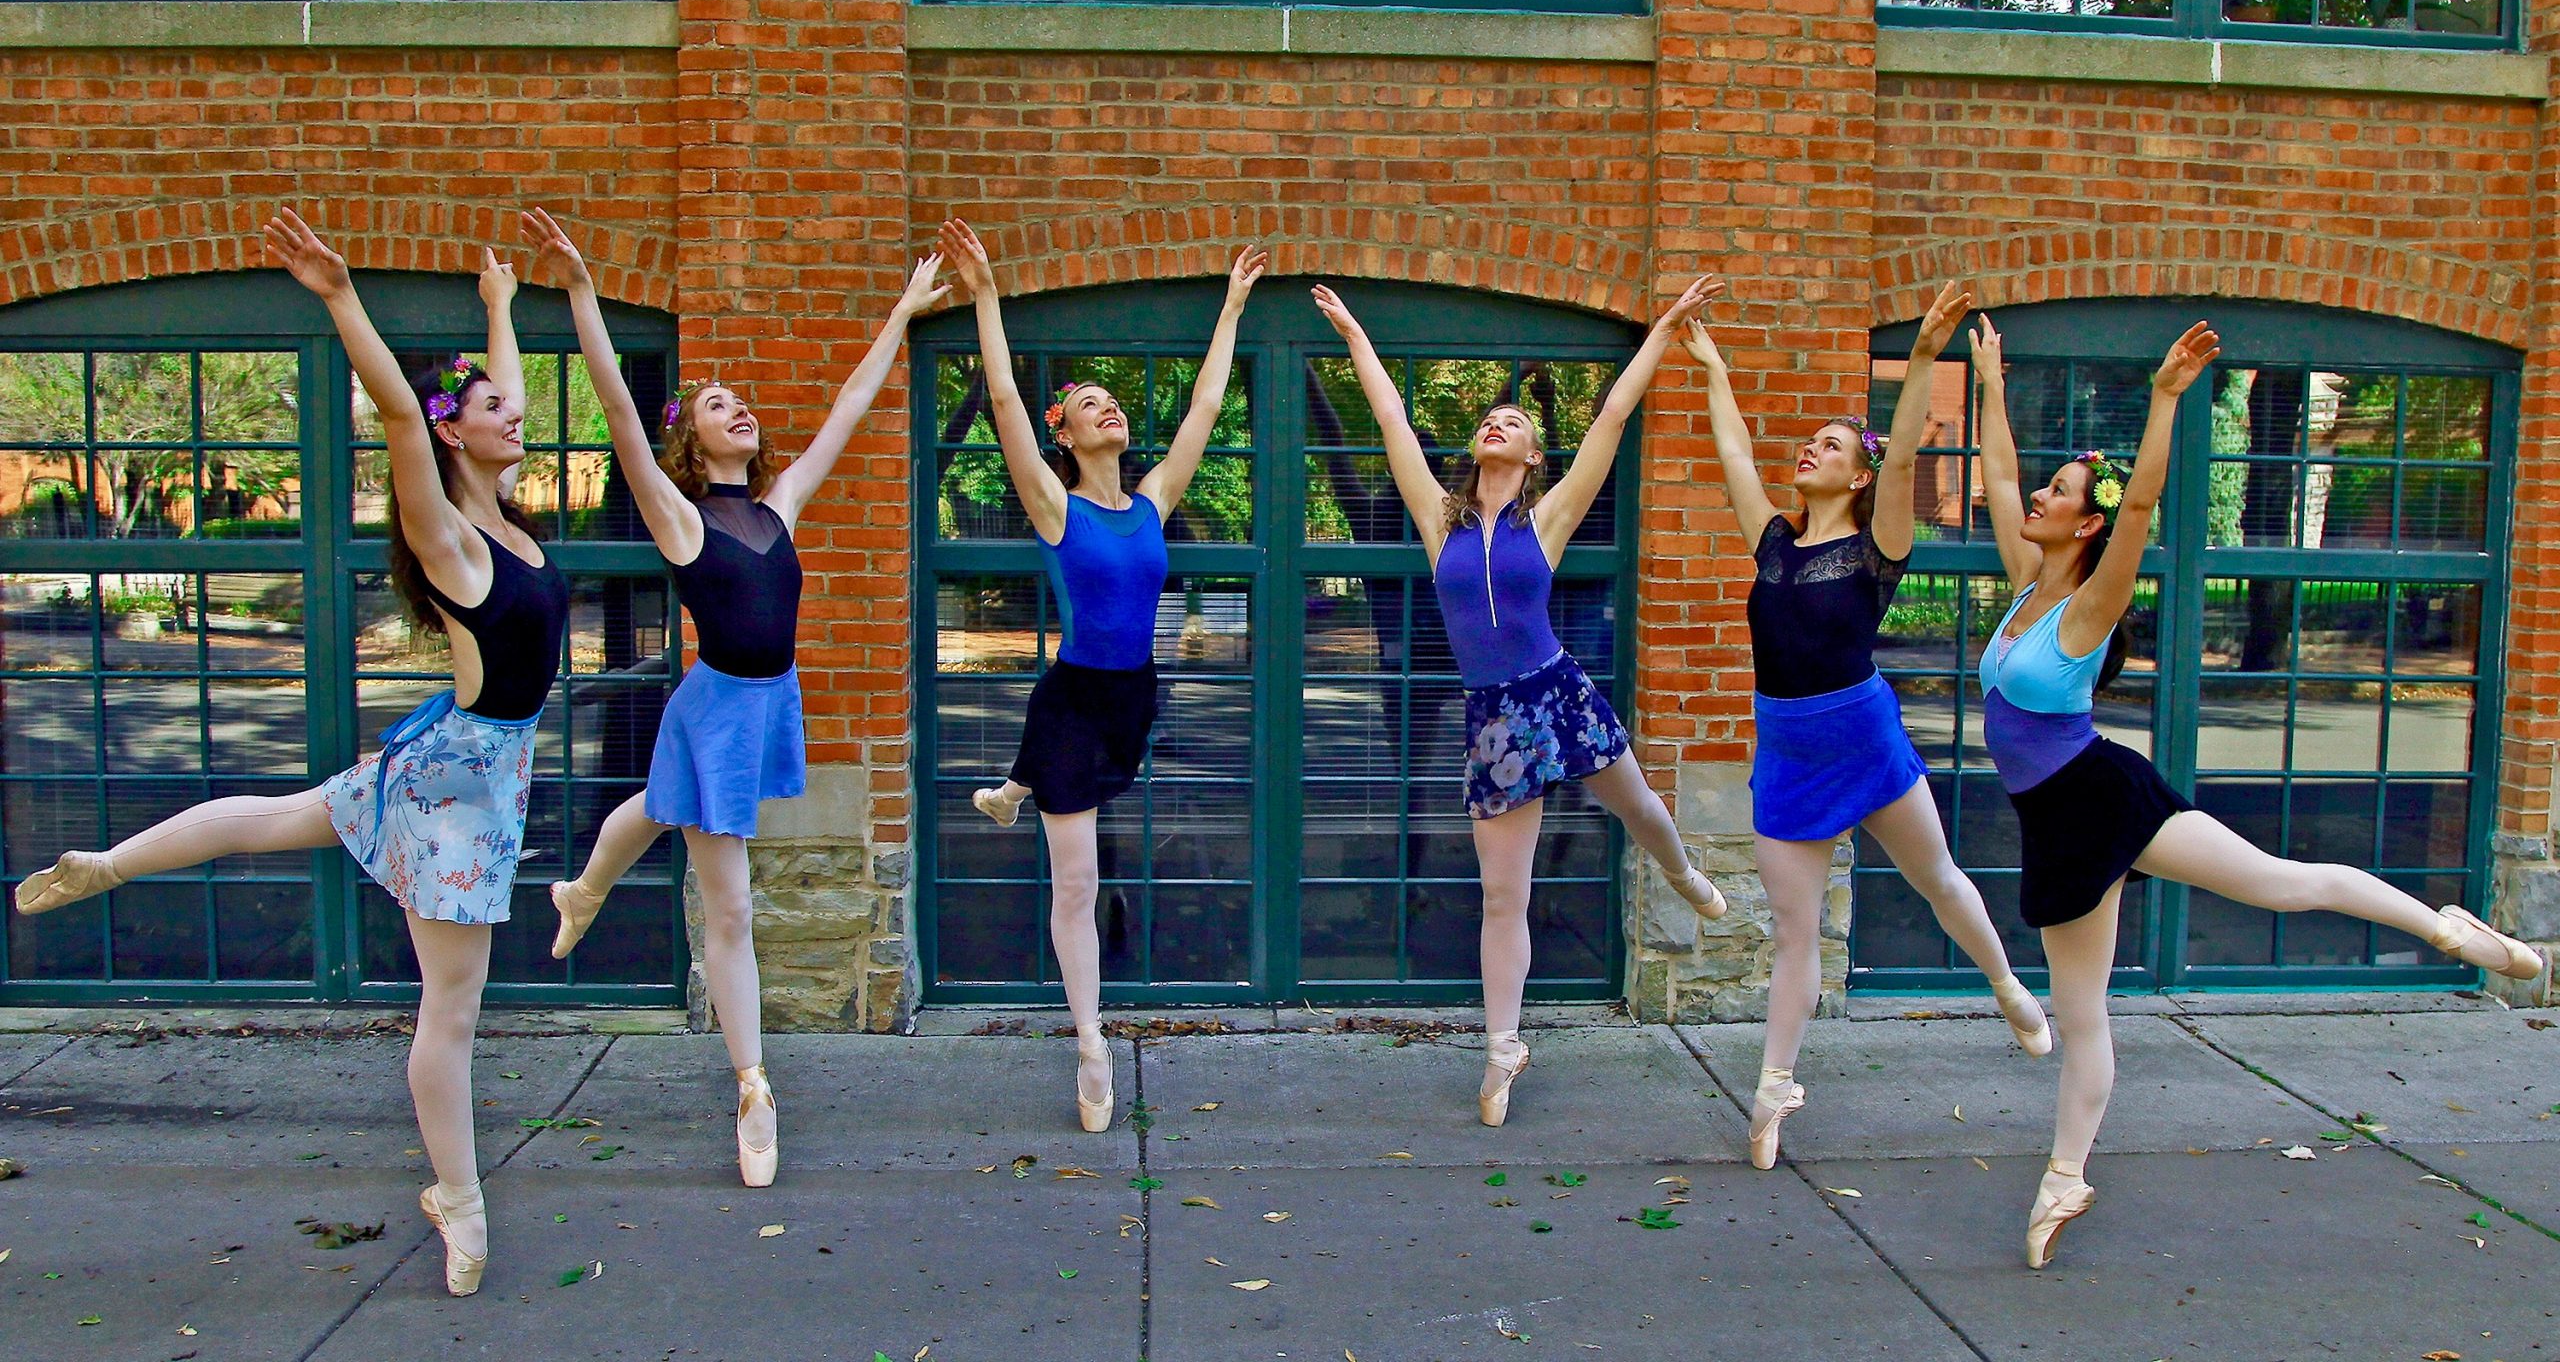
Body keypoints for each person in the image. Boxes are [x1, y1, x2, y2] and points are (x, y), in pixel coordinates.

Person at [14, 209, 571, 1298]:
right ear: (458, 436)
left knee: (280, 815)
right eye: (497, 409)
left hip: (461, 765)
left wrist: (503, 311)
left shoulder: (499, 518)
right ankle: (458, 1201)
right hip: (457, 787)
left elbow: (472, 405)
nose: (519, 415)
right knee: (450, 1011)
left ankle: (110, 864)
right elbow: (413, 420)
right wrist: (338, 297)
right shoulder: (450, 536)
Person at [1968, 311, 2544, 1269]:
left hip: (2107, 795)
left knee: (2282, 880)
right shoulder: (2028, 579)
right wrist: (1987, 381)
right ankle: (2065, 1181)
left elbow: (2144, 507)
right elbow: (1992, 474)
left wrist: (2161, 401)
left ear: (2090, 522)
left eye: (2059, 490)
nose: (2036, 494)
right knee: (2083, 1018)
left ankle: (2450, 930)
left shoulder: (2088, 606)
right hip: (2057, 827)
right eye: (2046, 483)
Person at [532, 208, 944, 1187]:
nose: (736, 409)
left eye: (739, 401)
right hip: (717, 710)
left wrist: (900, 311)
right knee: (732, 911)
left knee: (660, 809)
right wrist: (586, 295)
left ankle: (582, 886)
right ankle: (754, 1090)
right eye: (716, 404)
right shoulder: (680, 519)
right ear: (694, 442)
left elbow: (849, 405)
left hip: (769, 702)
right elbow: (624, 422)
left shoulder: (778, 503)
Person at [1312, 277, 1731, 1128]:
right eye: (1489, 422)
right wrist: (1355, 336)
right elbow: (1392, 421)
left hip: (1557, 692)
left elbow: (1613, 417)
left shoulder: (1549, 519)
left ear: (1535, 456)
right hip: (1494, 719)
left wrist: (1661, 331)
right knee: (1504, 893)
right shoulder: (1441, 521)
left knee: (1639, 805)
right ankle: (1503, 1050)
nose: (1497, 425)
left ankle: (1682, 872)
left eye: (1516, 424)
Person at [1685, 281, 2051, 1171]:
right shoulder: (1773, 542)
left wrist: (1923, 357)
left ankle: (2006, 984)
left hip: (1863, 737)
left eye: (1834, 445)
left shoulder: (1877, 542)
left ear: (1859, 475)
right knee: (1793, 932)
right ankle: (1773, 1090)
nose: (1811, 450)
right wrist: (1714, 371)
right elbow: (1733, 451)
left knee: (1936, 876)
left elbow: (1900, 463)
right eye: (1810, 442)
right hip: (1788, 749)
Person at [943, 218, 1266, 1131]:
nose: (1107, 409)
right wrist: (987, 297)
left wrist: (1232, 308)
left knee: (1061, 818)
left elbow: (1205, 406)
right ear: (1069, 438)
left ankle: (1013, 788)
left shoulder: (1155, 500)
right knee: (1076, 883)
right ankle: (1090, 1042)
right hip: (1076, 698)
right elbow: (1005, 400)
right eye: (1089, 405)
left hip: (1136, 696)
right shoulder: (1057, 507)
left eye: (1113, 403)